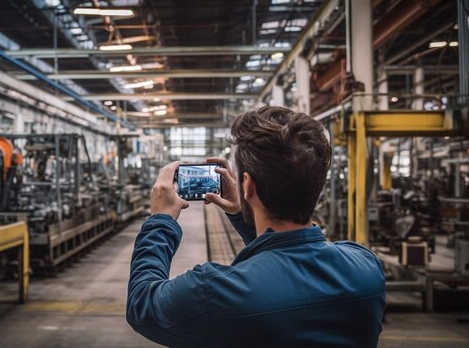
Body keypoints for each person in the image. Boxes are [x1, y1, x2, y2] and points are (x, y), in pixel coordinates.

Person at [126, 106, 385, 347]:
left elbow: (142, 306)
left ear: (247, 185)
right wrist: (243, 212)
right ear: (318, 182)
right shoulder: (366, 269)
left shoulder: (212, 292)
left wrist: (161, 220)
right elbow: (289, 260)